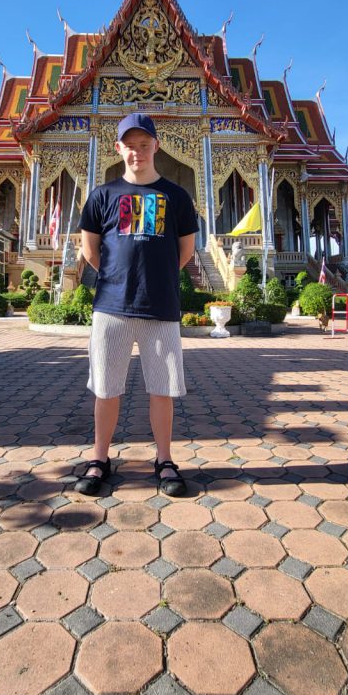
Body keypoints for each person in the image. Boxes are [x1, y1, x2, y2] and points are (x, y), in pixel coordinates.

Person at [76, 112, 198, 496]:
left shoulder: (176, 197)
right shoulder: (102, 195)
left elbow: (186, 251)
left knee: (162, 388)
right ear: (119, 148)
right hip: (111, 306)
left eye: (144, 145)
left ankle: (164, 459)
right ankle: (99, 458)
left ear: (156, 146)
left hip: (159, 305)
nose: (137, 152)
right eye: (130, 146)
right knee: (106, 388)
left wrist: (154, 277)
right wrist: (119, 276)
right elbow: (89, 250)